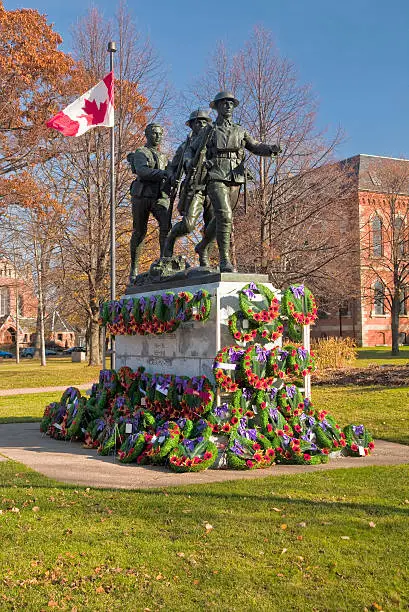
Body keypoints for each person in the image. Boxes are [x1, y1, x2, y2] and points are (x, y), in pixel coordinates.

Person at [193, 91, 280, 272]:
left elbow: (255, 146)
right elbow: (194, 151)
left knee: (221, 217)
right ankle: (225, 260)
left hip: (235, 175)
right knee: (225, 216)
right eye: (224, 103)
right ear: (216, 106)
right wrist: (204, 163)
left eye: (231, 103)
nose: (228, 106)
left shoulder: (240, 130)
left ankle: (203, 247)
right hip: (215, 174)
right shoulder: (208, 130)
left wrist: (270, 149)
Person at [163, 109, 214, 263]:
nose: (202, 124)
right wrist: (172, 177)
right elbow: (173, 166)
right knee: (188, 225)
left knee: (214, 225)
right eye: (198, 122)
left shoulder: (214, 142)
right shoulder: (185, 146)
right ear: (192, 125)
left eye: (205, 122)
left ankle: (205, 258)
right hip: (194, 187)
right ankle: (171, 238)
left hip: (212, 187)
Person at [127, 123, 169, 284]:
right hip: (142, 195)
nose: (157, 136)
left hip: (159, 196)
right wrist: (163, 173)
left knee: (166, 227)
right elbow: (142, 171)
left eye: (159, 134)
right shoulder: (140, 152)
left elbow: (173, 171)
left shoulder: (164, 157)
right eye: (154, 133)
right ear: (147, 134)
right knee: (139, 231)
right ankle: (134, 269)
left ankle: (164, 262)